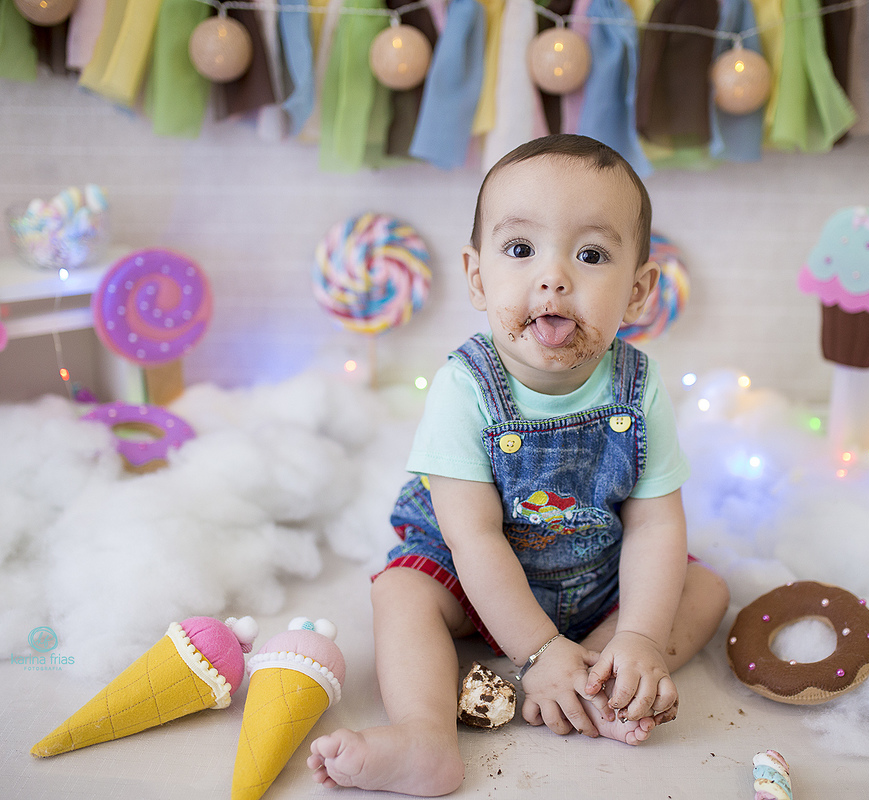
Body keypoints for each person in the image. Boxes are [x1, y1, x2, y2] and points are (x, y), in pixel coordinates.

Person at [308, 134, 729, 796]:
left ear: (639, 291)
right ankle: (425, 740)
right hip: (470, 576)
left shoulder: (638, 386)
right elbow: (471, 536)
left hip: (593, 572)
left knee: (705, 590)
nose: (553, 277)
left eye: (591, 255)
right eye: (520, 249)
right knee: (401, 593)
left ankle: (606, 676)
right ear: (478, 277)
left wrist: (644, 634)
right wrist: (534, 652)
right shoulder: (464, 388)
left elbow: (653, 524)